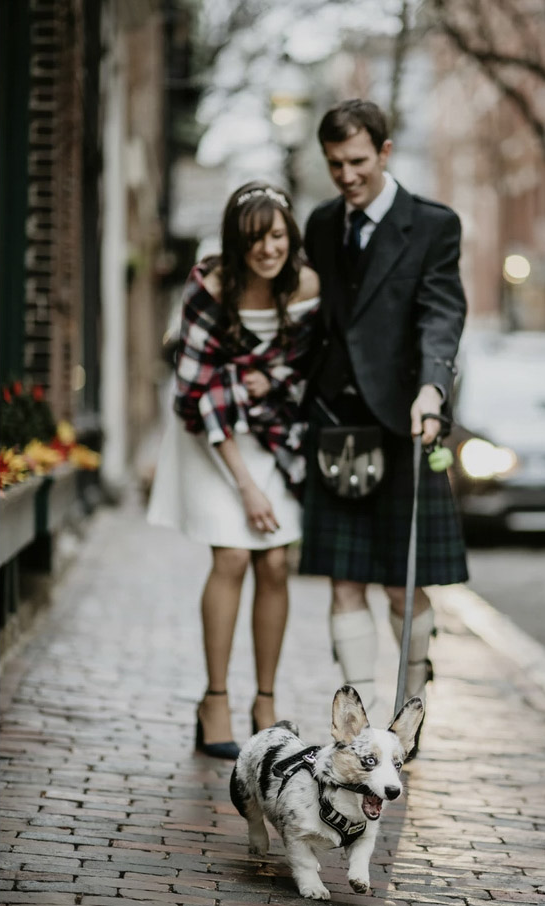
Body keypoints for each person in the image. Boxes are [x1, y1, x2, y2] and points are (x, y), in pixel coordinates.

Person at [299, 99, 468, 735]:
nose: (346, 175)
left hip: (401, 424)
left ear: (386, 152)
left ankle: (409, 713)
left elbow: (441, 314)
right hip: (335, 425)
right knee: (344, 580)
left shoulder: (431, 225)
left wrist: (432, 389)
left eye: (358, 161)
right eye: (335, 163)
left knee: (401, 588)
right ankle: (359, 726)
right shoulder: (320, 224)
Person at [148, 181, 319, 759]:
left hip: (275, 430)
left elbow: (314, 365)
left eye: (276, 235)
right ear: (235, 241)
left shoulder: (310, 285)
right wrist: (245, 486)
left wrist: (272, 379)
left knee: (275, 561)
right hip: (212, 434)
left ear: (290, 235)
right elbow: (195, 389)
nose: (267, 249)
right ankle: (214, 700)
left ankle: (265, 702)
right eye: (254, 239)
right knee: (234, 554)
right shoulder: (210, 285)